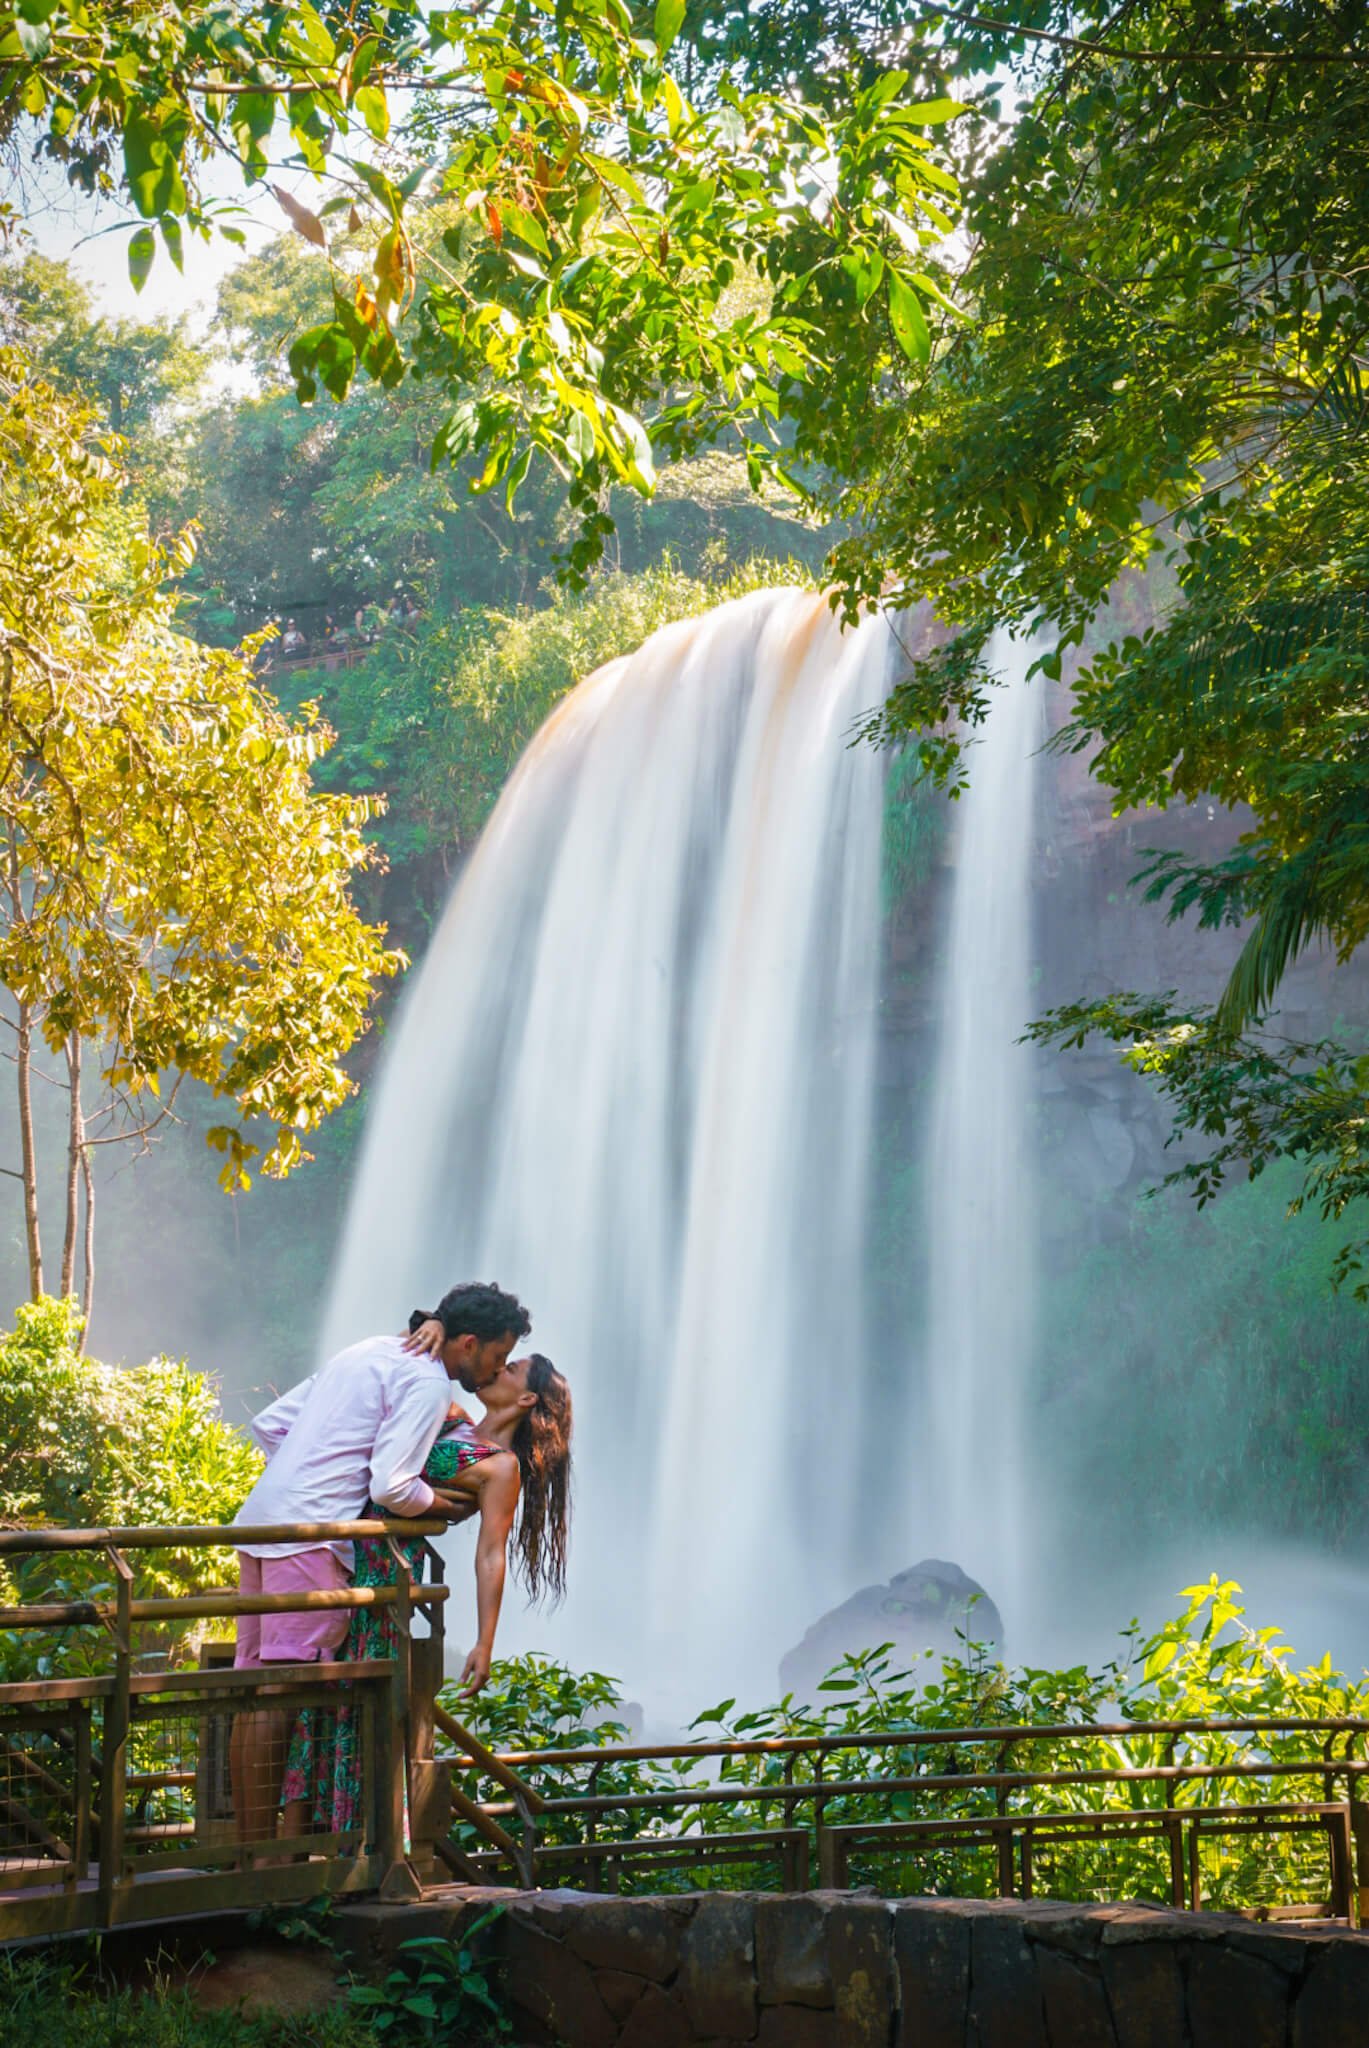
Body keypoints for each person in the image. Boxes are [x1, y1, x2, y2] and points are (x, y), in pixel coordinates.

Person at [228, 1282, 532, 1848]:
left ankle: (251, 1858)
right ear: (469, 1342)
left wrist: (309, 1470)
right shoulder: (425, 1381)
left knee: (256, 1691)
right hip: (312, 1536)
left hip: (261, 1523)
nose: (497, 1367)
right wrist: (439, 1508)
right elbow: (392, 1486)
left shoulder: (368, 1351)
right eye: (497, 1354)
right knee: (281, 1696)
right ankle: (259, 1862)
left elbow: (270, 1424)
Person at [280, 1349, 572, 1838]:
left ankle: (360, 1851)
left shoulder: (501, 1468)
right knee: (316, 1702)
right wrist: (434, 1326)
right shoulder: (448, 1416)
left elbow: (490, 1556)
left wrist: (484, 1642)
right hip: (336, 1557)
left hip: (382, 1584)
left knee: (352, 1704)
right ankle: (286, 1857)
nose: (497, 1368)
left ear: (525, 1398)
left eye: (511, 1368)